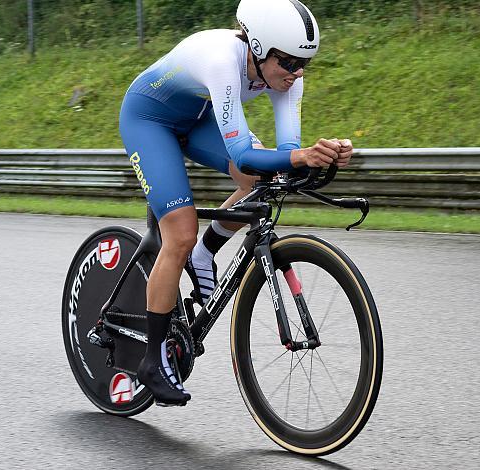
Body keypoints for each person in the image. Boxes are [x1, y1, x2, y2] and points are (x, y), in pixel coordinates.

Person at [118, 0, 353, 406]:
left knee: (264, 178)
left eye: (304, 64)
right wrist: (299, 157)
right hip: (148, 120)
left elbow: (286, 152)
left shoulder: (286, 75)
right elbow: (244, 154)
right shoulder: (221, 60)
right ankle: (152, 363)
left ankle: (206, 253)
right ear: (259, 48)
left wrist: (322, 155)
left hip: (196, 117)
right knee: (179, 233)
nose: (296, 73)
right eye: (289, 62)